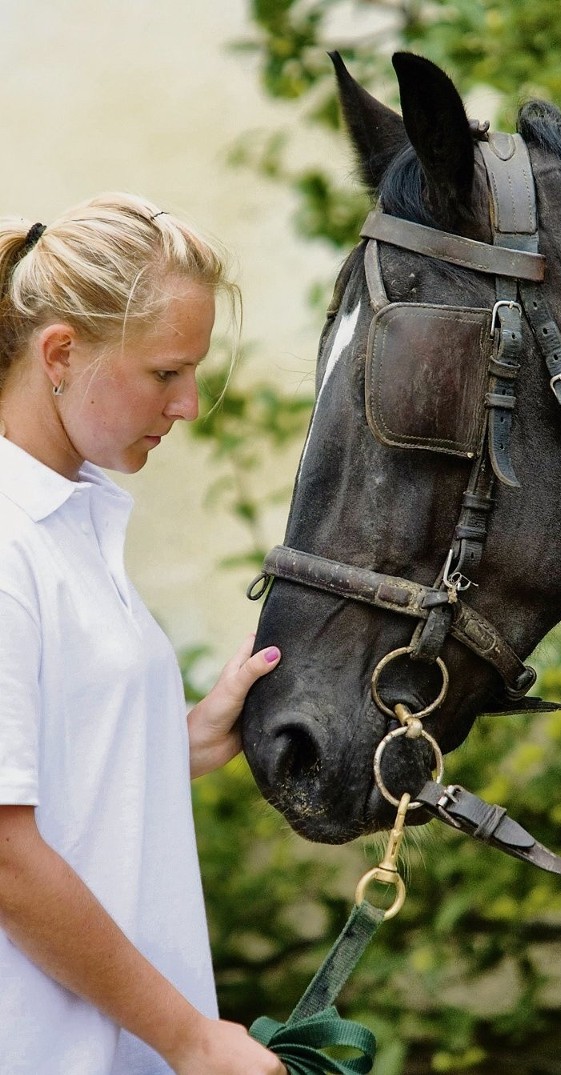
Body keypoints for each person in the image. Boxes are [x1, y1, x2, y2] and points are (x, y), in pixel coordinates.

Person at [0, 194, 287, 1075]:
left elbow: (59, 768)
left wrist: (184, 738)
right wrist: (192, 1038)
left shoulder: (72, 521)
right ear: (60, 354)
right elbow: (4, 852)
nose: (191, 405)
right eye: (167, 373)